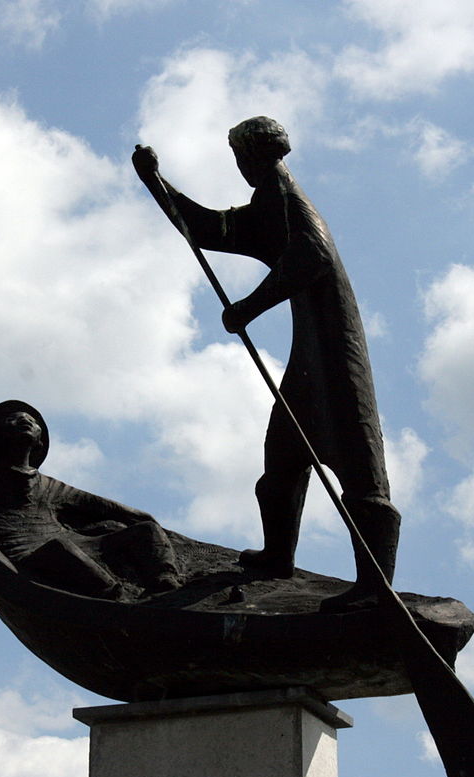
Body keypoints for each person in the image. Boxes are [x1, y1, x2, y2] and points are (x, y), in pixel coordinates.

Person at [133, 117, 400, 609]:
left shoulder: (290, 203)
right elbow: (206, 229)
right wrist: (155, 182)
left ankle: (374, 587)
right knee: (283, 455)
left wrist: (249, 308)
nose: (241, 167)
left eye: (241, 157)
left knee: (357, 465)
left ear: (254, 155)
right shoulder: (266, 207)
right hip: (309, 356)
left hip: (337, 357)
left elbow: (313, 256)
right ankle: (278, 556)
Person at [0, 400, 182, 600]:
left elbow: (102, 505)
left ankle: (164, 581)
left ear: (39, 440)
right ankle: (116, 596)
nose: (25, 420)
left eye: (31, 421)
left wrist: (144, 519)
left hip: (77, 543)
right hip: (29, 552)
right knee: (61, 549)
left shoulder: (49, 486)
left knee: (145, 529)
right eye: (13, 419)